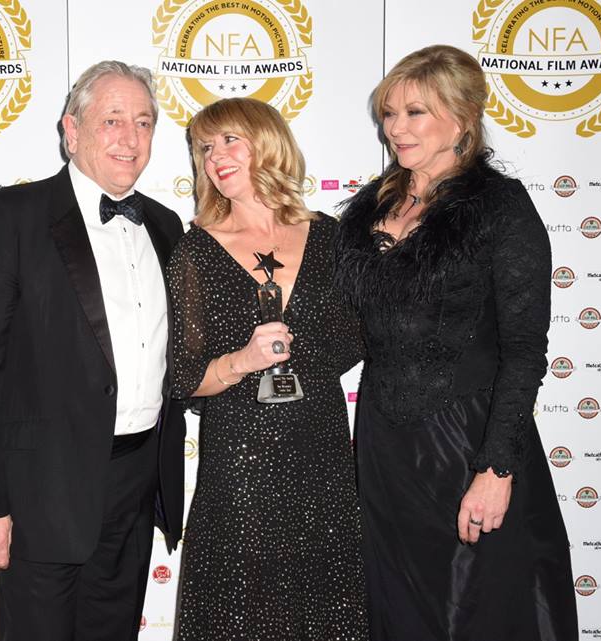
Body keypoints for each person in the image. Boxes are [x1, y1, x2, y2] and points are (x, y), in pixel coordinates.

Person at [335, 45, 578, 640]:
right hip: (385, 445)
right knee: (398, 607)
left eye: (415, 112)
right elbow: (354, 329)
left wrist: (496, 467)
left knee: (478, 608)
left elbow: (525, 350)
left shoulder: (499, 207)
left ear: (462, 118)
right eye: (389, 113)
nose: (396, 128)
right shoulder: (370, 207)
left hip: (467, 441)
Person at [0, 60, 185, 641]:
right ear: (71, 130)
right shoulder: (9, 218)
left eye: (143, 122)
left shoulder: (166, 226)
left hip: (135, 484)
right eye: (112, 120)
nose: (130, 138)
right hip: (39, 491)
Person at [168, 97, 368, 641]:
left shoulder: (330, 237)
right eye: (205, 148)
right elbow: (184, 378)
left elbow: (358, 338)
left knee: (326, 608)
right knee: (243, 613)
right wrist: (244, 361)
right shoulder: (195, 251)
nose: (215, 157)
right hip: (240, 464)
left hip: (322, 455)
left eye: (230, 140)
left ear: (268, 142)